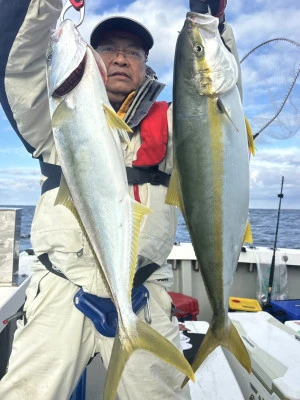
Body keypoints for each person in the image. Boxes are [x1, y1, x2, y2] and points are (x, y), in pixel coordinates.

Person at [0, 0, 241, 399]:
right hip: (61, 291)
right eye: (109, 47)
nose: (120, 58)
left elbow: (211, 96)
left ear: (147, 66)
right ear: (91, 58)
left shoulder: (173, 124)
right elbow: (15, 59)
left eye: (133, 52)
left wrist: (213, 25)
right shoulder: (52, 116)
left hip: (144, 295)